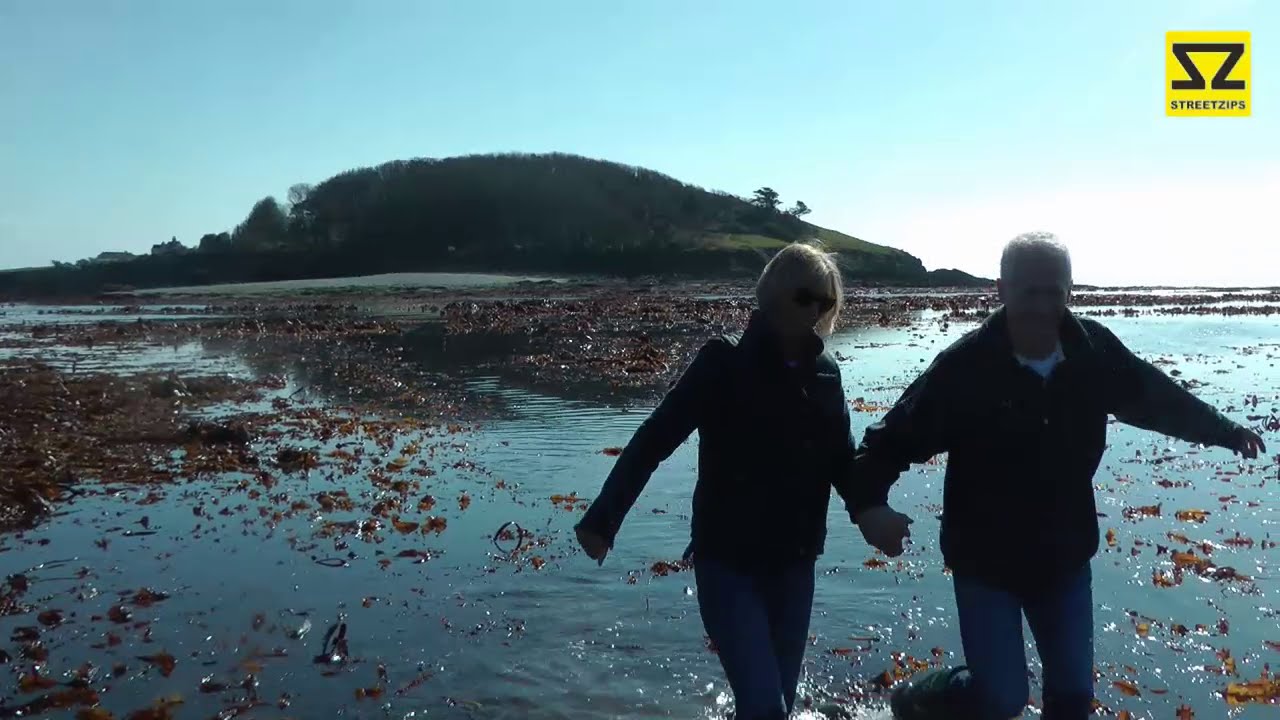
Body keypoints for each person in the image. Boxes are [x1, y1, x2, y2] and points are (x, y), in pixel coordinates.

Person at [848, 231, 1267, 720]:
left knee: (1070, 701)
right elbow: (890, 439)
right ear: (1001, 290)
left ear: (1070, 290)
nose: (1044, 306)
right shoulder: (966, 369)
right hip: (985, 561)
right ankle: (925, 695)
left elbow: (1157, 399)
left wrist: (1225, 430)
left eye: (1055, 291)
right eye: (1030, 292)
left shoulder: (1092, 353)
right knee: (1001, 698)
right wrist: (869, 506)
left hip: (1065, 556)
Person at [574, 241, 863, 720]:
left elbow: (842, 462)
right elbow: (654, 439)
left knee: (778, 707)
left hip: (796, 563)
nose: (815, 310)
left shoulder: (826, 376)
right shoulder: (722, 365)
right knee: (765, 708)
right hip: (727, 562)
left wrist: (872, 508)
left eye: (826, 301)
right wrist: (604, 518)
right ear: (772, 293)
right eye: (804, 297)